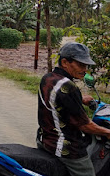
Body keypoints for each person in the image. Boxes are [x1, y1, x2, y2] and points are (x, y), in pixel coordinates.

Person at [36, 42, 110, 176]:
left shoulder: (48, 78)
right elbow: (85, 126)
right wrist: (107, 132)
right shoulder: (69, 87)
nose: (85, 69)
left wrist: (80, 98)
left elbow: (56, 98)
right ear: (65, 62)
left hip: (44, 139)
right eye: (81, 65)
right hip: (64, 147)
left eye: (86, 65)